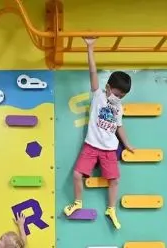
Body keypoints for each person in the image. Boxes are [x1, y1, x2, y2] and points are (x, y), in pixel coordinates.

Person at [62, 37, 134, 229]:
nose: (117, 98)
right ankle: (77, 202)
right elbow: (92, 71)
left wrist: (126, 143)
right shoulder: (99, 96)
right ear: (108, 88)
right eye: (116, 94)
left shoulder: (119, 108)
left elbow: (119, 126)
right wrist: (90, 47)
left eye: (122, 97)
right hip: (91, 146)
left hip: (109, 149)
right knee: (77, 175)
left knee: (115, 180)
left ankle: (111, 208)